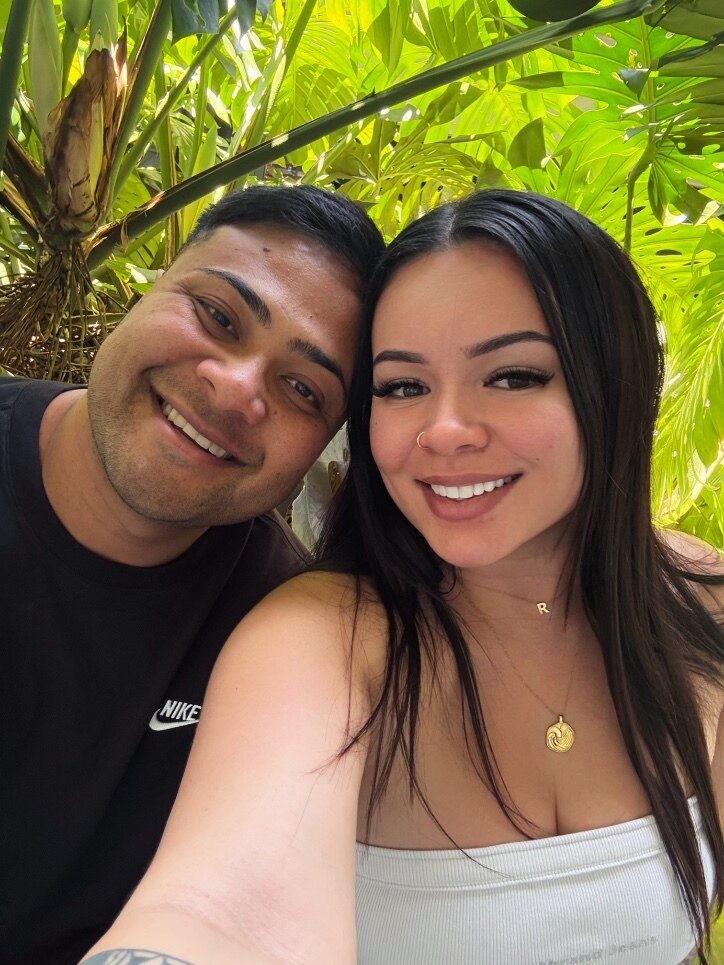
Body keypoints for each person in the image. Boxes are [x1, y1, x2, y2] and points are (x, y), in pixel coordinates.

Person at [81, 190, 723, 965]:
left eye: (513, 375)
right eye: (403, 387)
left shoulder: (702, 603)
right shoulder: (324, 639)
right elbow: (221, 910)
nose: (443, 430)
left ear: (614, 384)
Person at [0, 183, 385, 965]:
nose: (237, 388)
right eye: (218, 315)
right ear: (152, 282)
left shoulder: (286, 635)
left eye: (302, 389)